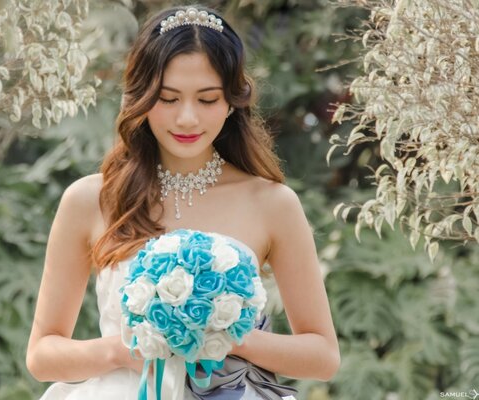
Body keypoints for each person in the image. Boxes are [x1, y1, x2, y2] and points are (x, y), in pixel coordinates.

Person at [26, 4, 340, 400]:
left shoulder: (272, 203)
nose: (187, 119)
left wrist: (223, 336)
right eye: (168, 99)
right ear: (140, 98)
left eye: (207, 99)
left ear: (231, 102)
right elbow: (41, 354)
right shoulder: (90, 199)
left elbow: (323, 356)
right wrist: (121, 351)